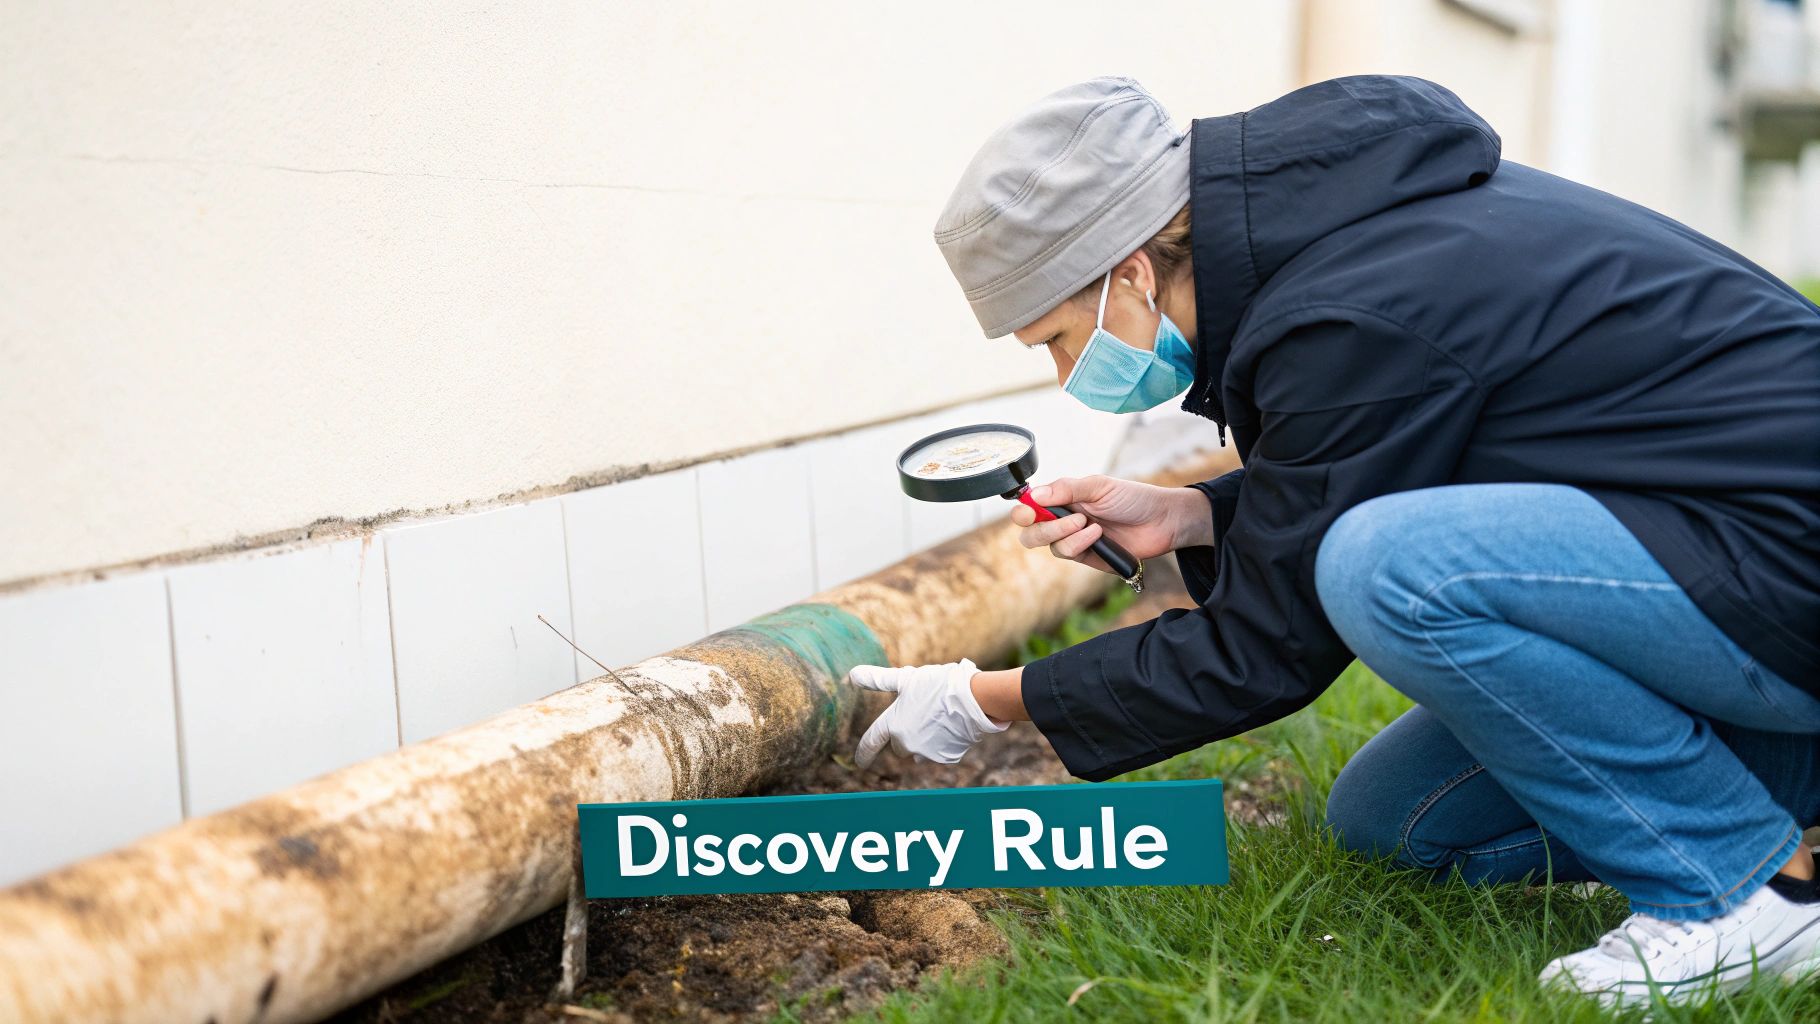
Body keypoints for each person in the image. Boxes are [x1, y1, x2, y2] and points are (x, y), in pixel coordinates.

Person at [843, 75, 1820, 1006]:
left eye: (1058, 337)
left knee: (1385, 569)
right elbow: (1412, 457)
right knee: (1395, 824)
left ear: (1130, 272)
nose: (1066, 376)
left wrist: (983, 701)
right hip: (1724, 552)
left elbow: (1269, 642)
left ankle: (1738, 892)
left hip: (1783, 559)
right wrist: (1193, 513)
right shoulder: (1340, 239)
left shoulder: (1348, 307)